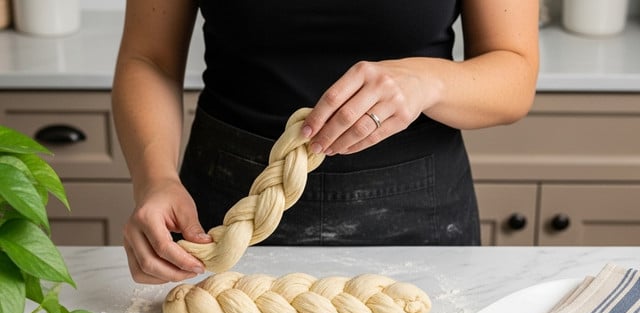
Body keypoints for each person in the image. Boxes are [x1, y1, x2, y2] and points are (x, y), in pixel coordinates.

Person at [112, 1, 539, 284]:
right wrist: (155, 178)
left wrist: (428, 82)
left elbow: (514, 73)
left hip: (417, 217)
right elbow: (149, 58)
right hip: (225, 214)